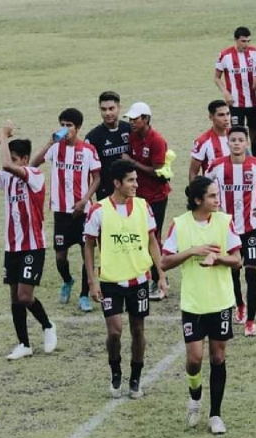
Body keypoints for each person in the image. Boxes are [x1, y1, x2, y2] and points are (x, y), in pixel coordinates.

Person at [161, 176, 242, 435]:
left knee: (218, 358)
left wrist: (218, 258)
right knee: (194, 360)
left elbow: (237, 259)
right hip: (193, 303)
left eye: (217, 195)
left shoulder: (224, 221)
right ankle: (194, 396)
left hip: (220, 301)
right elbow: (164, 262)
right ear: (198, 200)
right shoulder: (180, 225)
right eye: (212, 196)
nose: (217, 200)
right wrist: (192, 251)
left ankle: (215, 415)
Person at [0, 121, 57, 360]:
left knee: (25, 296)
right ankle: (24, 344)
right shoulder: (8, 178)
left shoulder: (35, 175)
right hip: (12, 247)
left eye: (16, 158)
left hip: (33, 246)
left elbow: (5, 164)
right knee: (14, 298)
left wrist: (4, 137)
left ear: (25, 159)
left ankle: (48, 325)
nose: (12, 162)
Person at [84, 160, 167, 399]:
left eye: (136, 180)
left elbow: (153, 241)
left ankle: (136, 377)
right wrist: (92, 281)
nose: (136, 184)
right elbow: (88, 246)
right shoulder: (98, 210)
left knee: (138, 330)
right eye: (131, 180)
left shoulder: (143, 206)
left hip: (139, 279)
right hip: (110, 281)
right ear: (117, 183)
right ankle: (115, 370)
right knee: (115, 332)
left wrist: (161, 276)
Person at [206, 126, 256, 336]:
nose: (236, 143)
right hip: (227, 229)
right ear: (228, 142)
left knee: (251, 272)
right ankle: (239, 304)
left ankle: (251, 320)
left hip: (251, 227)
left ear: (246, 143)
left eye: (240, 140)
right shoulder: (216, 166)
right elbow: (205, 187)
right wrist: (213, 205)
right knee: (233, 270)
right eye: (233, 139)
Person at [31, 108, 101, 313]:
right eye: (63, 124)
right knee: (60, 256)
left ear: (78, 128)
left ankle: (84, 295)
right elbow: (33, 165)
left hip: (82, 211)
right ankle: (67, 281)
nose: (65, 129)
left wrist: (85, 199)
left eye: (69, 125)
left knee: (85, 253)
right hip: (61, 212)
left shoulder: (88, 150)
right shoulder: (55, 148)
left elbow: (97, 177)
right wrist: (49, 143)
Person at [122, 101, 171, 301]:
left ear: (146, 119)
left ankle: (161, 279)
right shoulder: (133, 137)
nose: (132, 123)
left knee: (154, 237)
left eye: (136, 119)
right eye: (131, 120)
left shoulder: (157, 140)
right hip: (139, 196)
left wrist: (132, 163)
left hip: (156, 197)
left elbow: (158, 170)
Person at [214, 27, 256, 158]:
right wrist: (225, 92)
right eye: (243, 41)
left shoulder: (255, 53)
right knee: (237, 135)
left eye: (248, 41)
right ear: (236, 40)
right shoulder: (225, 55)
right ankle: (240, 160)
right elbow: (217, 77)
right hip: (235, 103)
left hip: (254, 102)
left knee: (255, 136)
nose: (246, 44)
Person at [85, 91, 131, 201]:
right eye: (104, 109)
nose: (107, 113)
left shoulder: (130, 130)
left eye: (111, 108)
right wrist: (87, 197)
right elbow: (85, 171)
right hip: (105, 193)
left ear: (119, 108)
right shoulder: (93, 137)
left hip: (131, 190)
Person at [188, 100, 230, 182]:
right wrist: (194, 193)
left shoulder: (237, 137)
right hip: (214, 191)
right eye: (221, 115)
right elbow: (193, 172)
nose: (226, 118)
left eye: (228, 114)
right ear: (211, 117)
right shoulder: (202, 141)